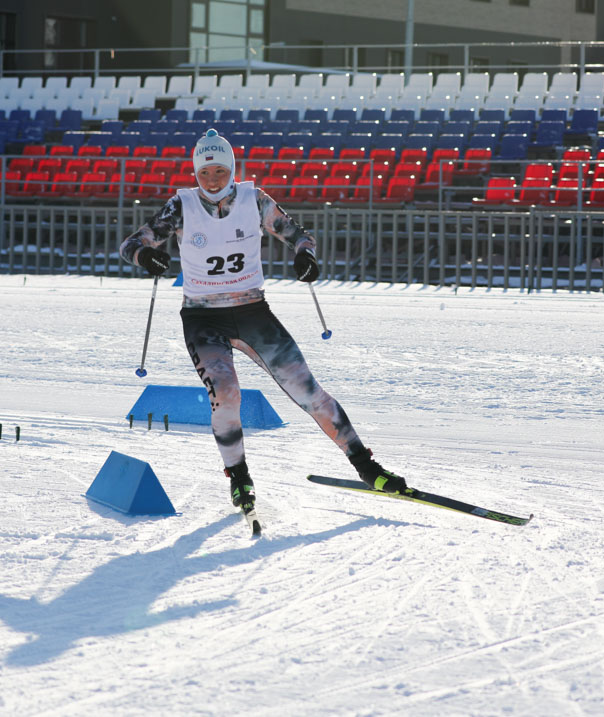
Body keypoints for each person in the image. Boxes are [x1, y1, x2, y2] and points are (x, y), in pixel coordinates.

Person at [119, 128, 407, 514]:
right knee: (226, 396)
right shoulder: (181, 205)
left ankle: (367, 467)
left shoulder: (254, 200)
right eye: (204, 174)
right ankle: (239, 478)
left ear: (232, 169)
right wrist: (146, 257)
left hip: (252, 311)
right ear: (195, 174)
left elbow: (298, 235)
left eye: (220, 172)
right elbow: (131, 244)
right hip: (204, 318)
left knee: (309, 393)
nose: (212, 181)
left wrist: (305, 256)